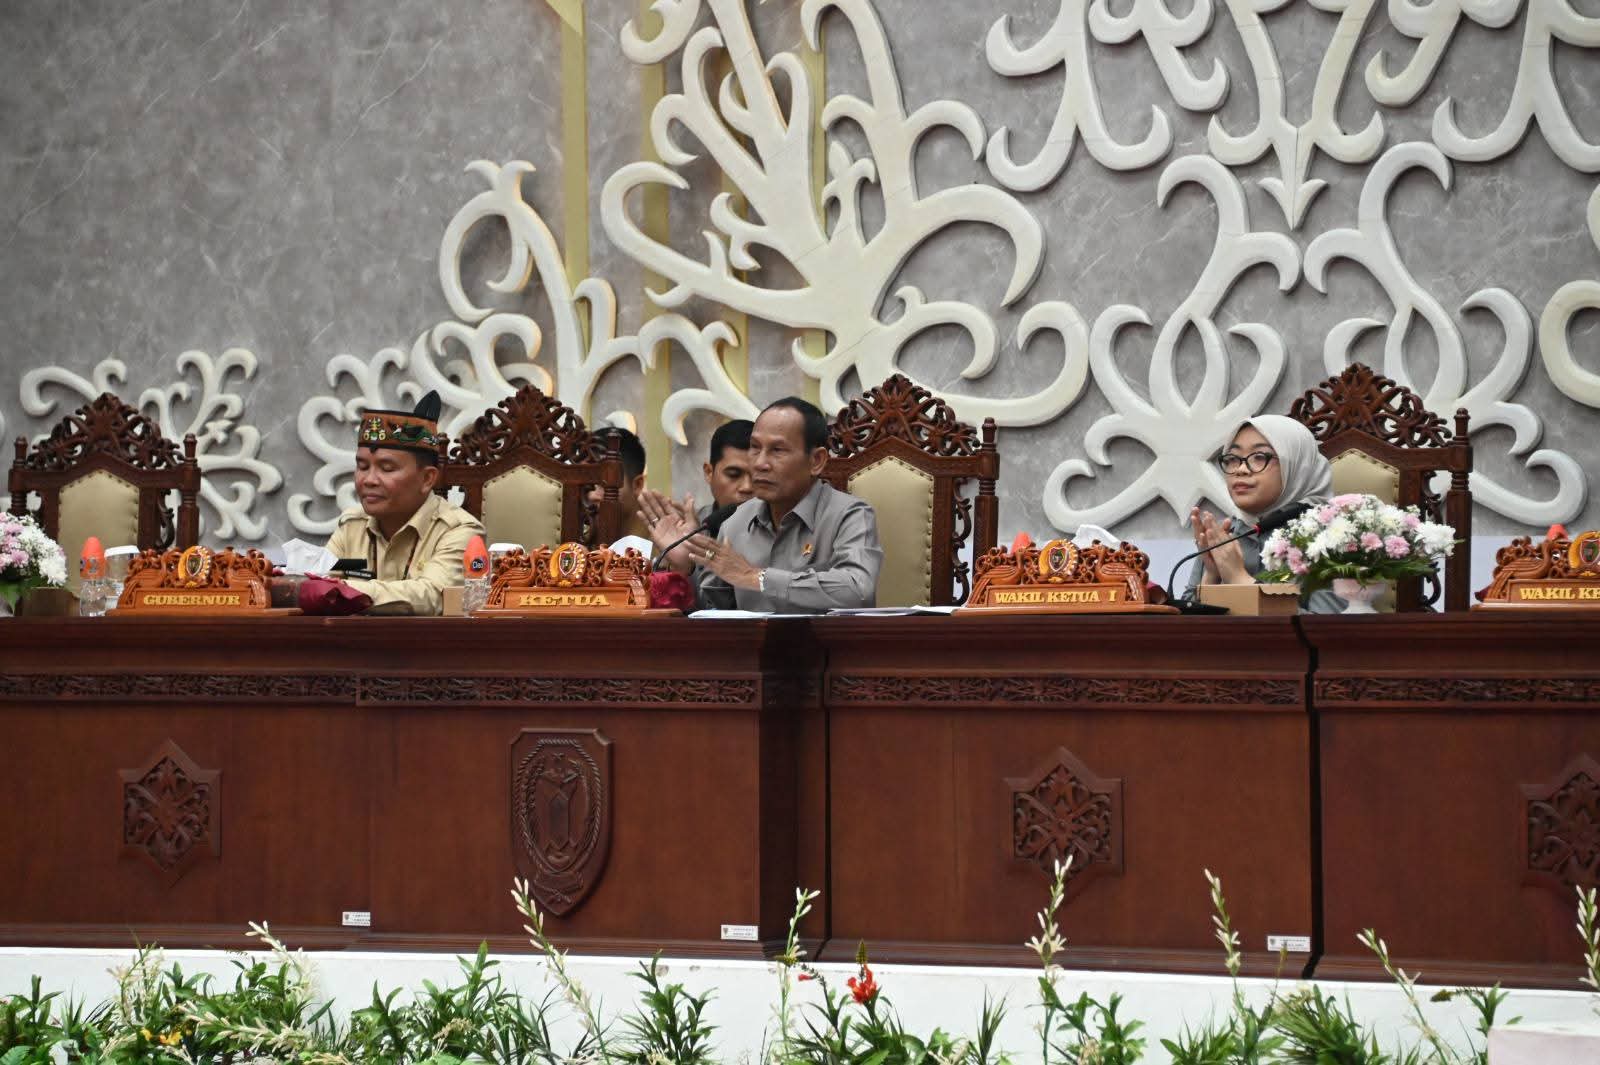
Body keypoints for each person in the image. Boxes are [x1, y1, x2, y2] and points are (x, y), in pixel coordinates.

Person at [679, 397, 882, 613]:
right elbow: (711, 613)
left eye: (777, 450)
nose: (760, 463)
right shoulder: (736, 521)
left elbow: (858, 590)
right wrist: (684, 568)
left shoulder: (850, 515)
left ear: (816, 461)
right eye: (755, 448)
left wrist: (756, 578)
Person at [323, 391, 485, 615]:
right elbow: (318, 580)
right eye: (362, 467)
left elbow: (433, 596)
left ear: (427, 479)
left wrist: (341, 590)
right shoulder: (352, 525)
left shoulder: (459, 530)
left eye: (387, 468)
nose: (369, 480)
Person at [1185, 414, 1343, 613]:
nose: (1241, 469)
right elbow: (1182, 623)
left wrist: (1238, 579)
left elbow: (1330, 627)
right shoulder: (1226, 535)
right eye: (1233, 459)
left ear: (1297, 466)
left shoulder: (1331, 535)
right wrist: (1211, 576)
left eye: (1259, 457)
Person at [587, 427, 653, 554]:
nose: (591, 495)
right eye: (586, 484)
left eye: (604, 483)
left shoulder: (664, 547)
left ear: (637, 485)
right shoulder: (580, 539)